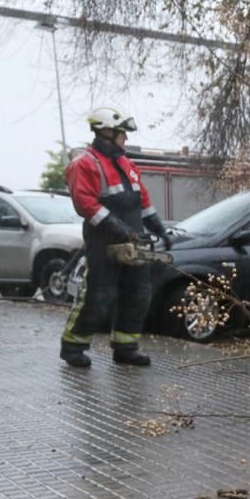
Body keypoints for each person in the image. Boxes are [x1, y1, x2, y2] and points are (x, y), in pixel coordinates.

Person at [59, 107, 171, 368]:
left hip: (134, 238)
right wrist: (114, 225)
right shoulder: (84, 163)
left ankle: (126, 347)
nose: (126, 139)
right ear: (106, 132)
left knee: (138, 293)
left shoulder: (126, 164)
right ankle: (73, 345)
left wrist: (156, 224)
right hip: (103, 241)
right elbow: (84, 202)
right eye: (122, 134)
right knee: (98, 295)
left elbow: (141, 198)